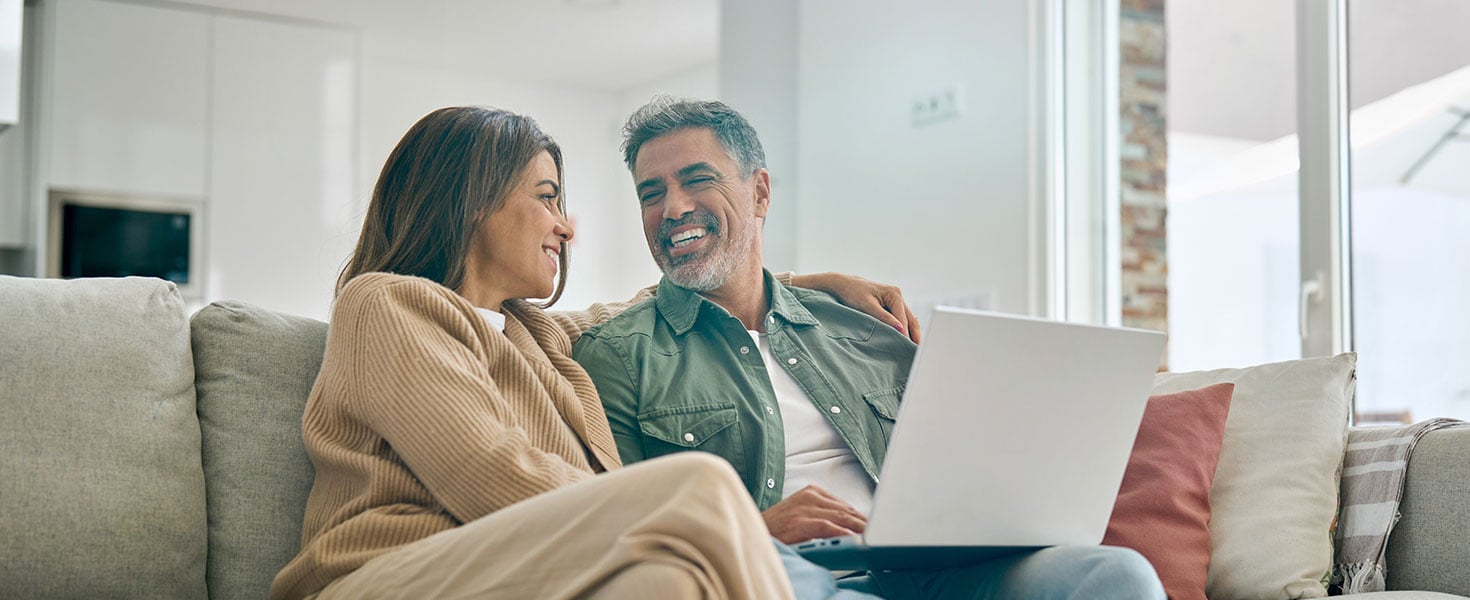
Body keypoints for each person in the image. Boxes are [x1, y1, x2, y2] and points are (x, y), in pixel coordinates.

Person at [269, 106, 907, 600]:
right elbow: (493, 477)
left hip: (520, 569)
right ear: (472, 200)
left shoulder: (531, 335)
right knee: (699, 483)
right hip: (388, 574)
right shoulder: (385, 303)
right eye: (546, 197)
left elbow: (663, 301)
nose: (566, 226)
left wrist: (802, 285)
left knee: (669, 580)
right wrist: (735, 526)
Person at [572, 97, 1168, 600]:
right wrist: (755, 531)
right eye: (651, 193)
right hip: (780, 572)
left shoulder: (862, 326)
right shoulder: (618, 356)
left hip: (932, 571)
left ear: (760, 193)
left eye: (697, 179)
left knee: (1116, 575)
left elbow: (957, 465)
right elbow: (621, 542)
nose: (673, 208)